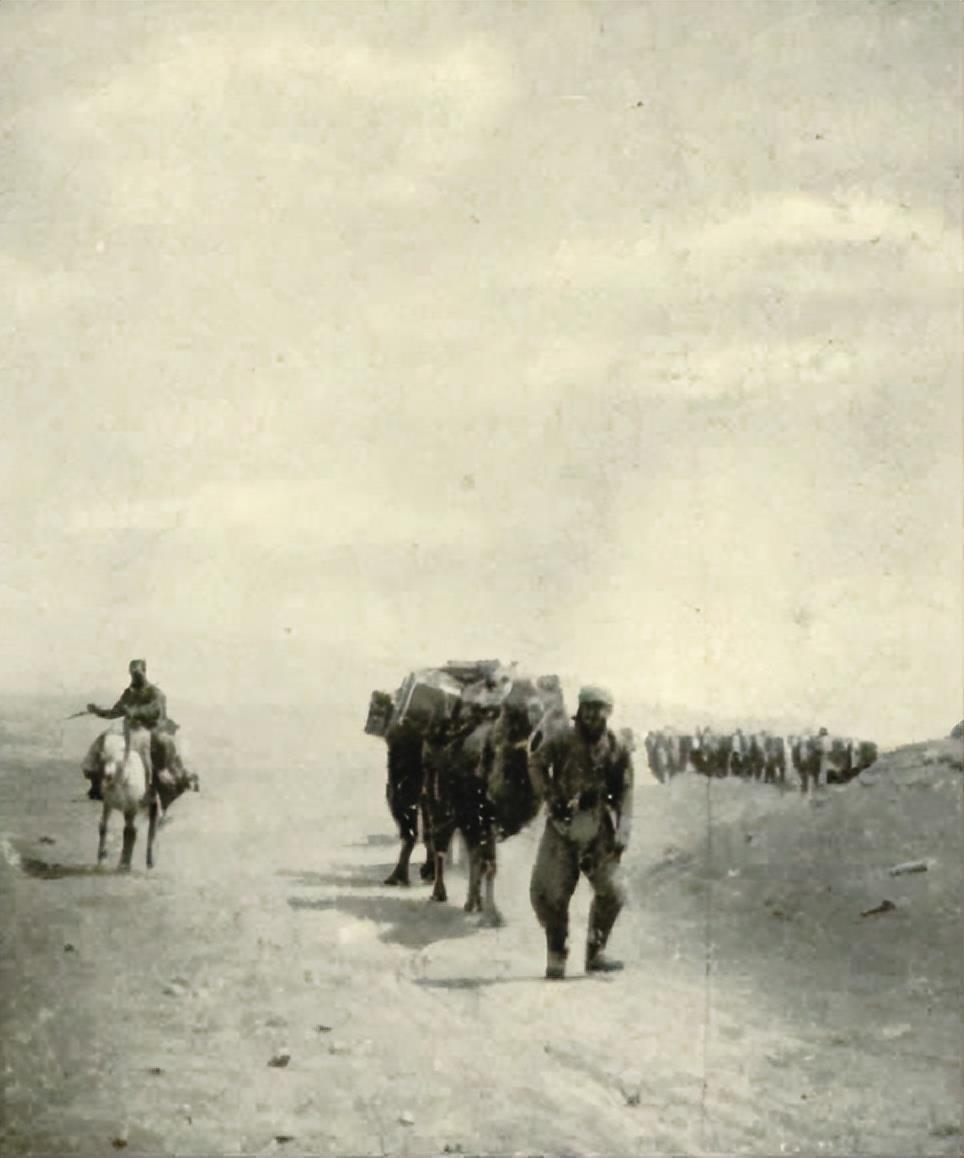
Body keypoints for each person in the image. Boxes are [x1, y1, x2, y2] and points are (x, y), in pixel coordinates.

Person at [527, 685, 634, 980]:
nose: (592, 715)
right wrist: (550, 796)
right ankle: (556, 953)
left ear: (608, 713)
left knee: (614, 891)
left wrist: (623, 831)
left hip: (598, 829)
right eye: (588, 708)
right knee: (550, 892)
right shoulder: (562, 739)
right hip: (562, 829)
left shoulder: (616, 747)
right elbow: (536, 763)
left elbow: (626, 790)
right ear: (580, 709)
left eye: (599, 709)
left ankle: (596, 953)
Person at [87, 659, 177, 805]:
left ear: (144, 672)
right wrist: (98, 711)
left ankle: (152, 786)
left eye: (137, 673)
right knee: (104, 742)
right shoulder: (129, 693)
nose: (135, 677)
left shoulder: (156, 693)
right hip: (130, 730)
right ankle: (97, 783)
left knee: (149, 749)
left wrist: (134, 710)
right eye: (132, 674)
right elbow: (115, 711)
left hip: (151, 729)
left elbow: (154, 710)